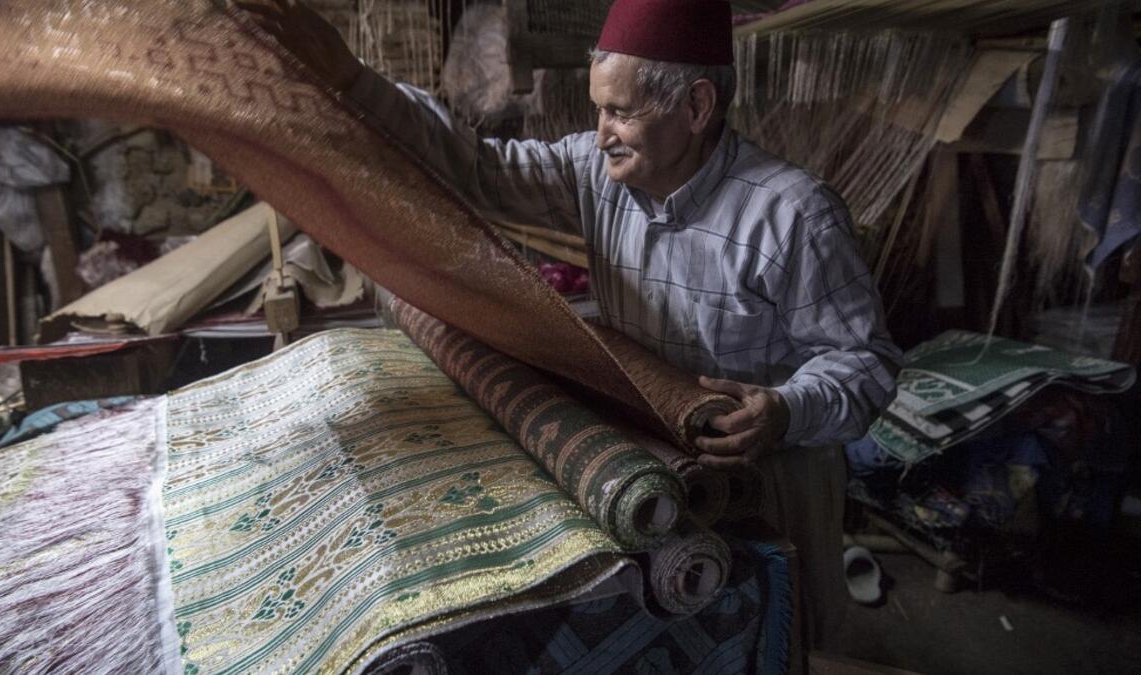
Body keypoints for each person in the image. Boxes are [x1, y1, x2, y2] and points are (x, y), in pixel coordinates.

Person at [240, 0, 902, 647]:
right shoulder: (598, 172)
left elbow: (866, 362)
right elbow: (477, 168)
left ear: (697, 107)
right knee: (684, 626)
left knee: (777, 633)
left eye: (619, 111)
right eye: (597, 109)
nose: (601, 130)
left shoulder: (794, 217)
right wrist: (353, 81)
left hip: (771, 474)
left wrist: (784, 409)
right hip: (658, 464)